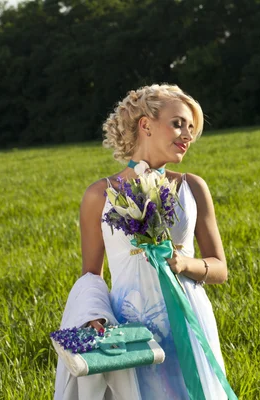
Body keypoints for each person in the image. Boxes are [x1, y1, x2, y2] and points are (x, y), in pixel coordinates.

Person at [54, 84, 231, 399]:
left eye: (191, 128)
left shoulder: (192, 187)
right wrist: (91, 315)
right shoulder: (100, 194)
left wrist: (186, 264)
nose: (187, 135)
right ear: (146, 125)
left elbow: (220, 268)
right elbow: (90, 274)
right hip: (132, 327)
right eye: (177, 123)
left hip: (190, 319)